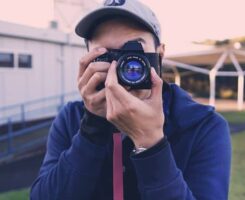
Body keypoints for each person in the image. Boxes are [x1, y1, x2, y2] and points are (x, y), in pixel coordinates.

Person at [30, 0, 231, 200]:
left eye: (134, 51)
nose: (123, 66)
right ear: (89, 60)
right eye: (106, 55)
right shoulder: (71, 118)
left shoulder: (203, 125)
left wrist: (151, 143)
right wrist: (92, 128)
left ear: (160, 55)